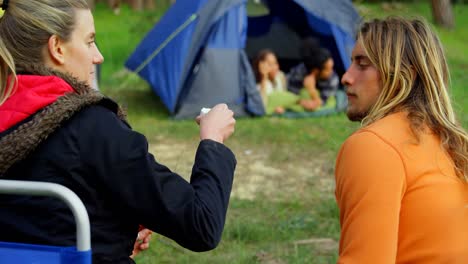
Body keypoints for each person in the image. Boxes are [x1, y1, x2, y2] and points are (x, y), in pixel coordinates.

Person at [0, 1, 237, 264]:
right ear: (57, 48)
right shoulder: (91, 127)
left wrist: (114, 233)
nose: (98, 56)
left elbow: (37, 227)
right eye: (89, 42)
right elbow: (200, 224)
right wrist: (212, 140)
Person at [335, 17, 468, 263]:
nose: (346, 77)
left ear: (403, 74)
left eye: (362, 65)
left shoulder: (373, 146)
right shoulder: (447, 139)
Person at [253, 49, 320, 115]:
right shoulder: (259, 85)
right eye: (270, 64)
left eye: (276, 63)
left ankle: (303, 102)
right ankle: (301, 102)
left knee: (305, 92)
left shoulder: (280, 76)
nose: (275, 67)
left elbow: (284, 96)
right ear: (260, 66)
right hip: (279, 101)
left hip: (289, 101)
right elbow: (262, 105)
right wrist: (264, 77)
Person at [287, 38, 340, 107]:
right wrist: (301, 101)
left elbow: (323, 101)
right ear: (316, 71)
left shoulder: (333, 79)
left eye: (332, 68)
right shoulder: (299, 72)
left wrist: (312, 91)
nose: (331, 72)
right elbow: (291, 94)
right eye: (328, 69)